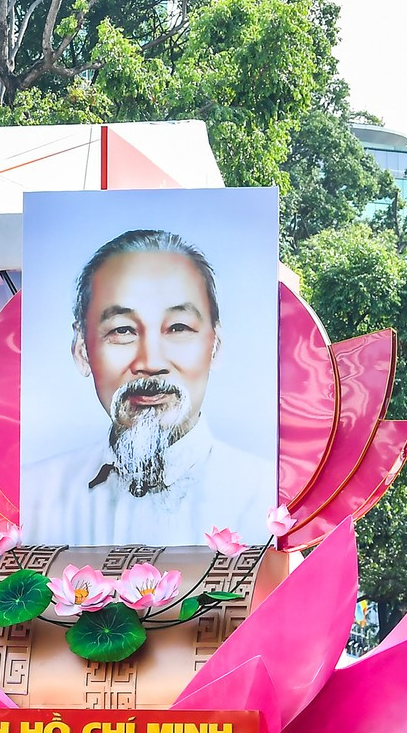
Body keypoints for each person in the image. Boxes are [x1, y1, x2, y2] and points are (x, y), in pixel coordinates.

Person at [21, 228, 274, 546]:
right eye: (122, 330)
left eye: (178, 327)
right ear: (82, 350)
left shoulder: (266, 500)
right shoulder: (33, 498)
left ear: (216, 345)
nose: (151, 362)